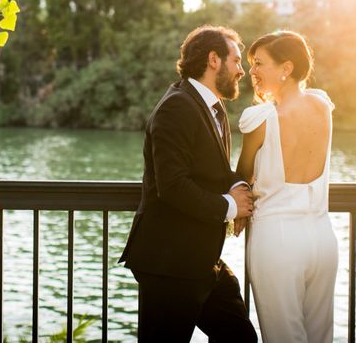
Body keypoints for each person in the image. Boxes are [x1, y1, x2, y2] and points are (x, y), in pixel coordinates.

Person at [119, 25, 257, 342]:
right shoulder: (177, 106)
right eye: (236, 60)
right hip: (169, 263)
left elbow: (216, 172)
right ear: (213, 60)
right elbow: (172, 185)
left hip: (201, 260)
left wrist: (242, 189)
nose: (241, 71)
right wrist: (231, 206)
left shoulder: (212, 108)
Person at [236, 30, 338, 343]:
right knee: (320, 337)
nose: (251, 72)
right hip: (322, 239)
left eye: (259, 64)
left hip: (277, 240)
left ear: (286, 68)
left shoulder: (261, 117)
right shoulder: (322, 105)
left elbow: (240, 177)